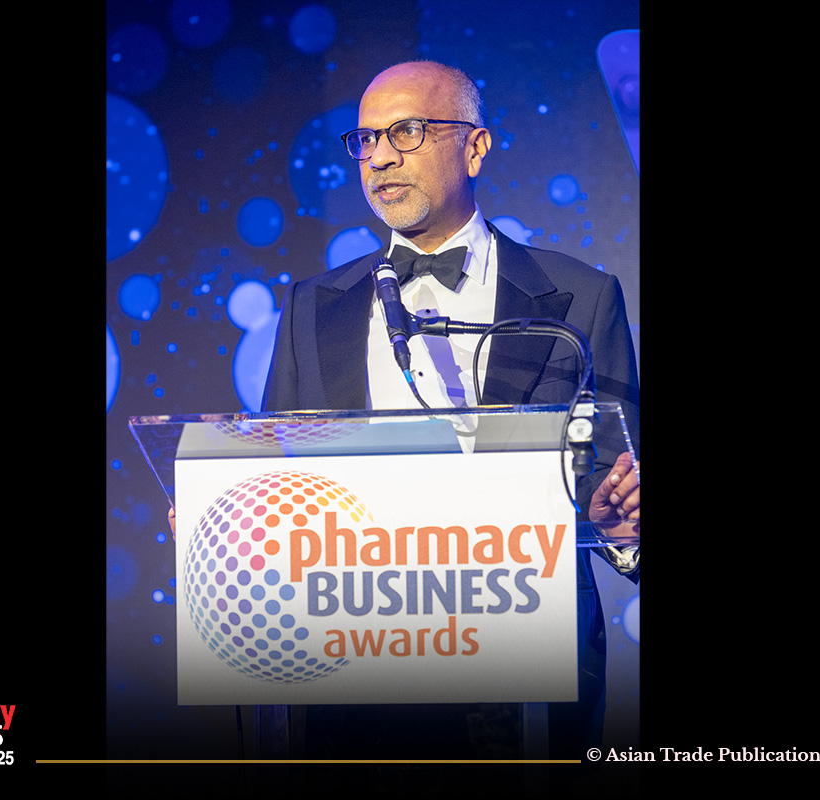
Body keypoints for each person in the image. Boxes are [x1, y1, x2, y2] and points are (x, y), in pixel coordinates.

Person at [171, 60, 639, 761]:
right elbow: (281, 483)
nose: (380, 156)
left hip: (522, 678)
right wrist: (226, 525)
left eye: (408, 131)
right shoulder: (312, 307)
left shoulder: (581, 299)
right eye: (365, 139)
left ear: (475, 147)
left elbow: (618, 492)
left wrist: (620, 529)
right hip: (347, 675)